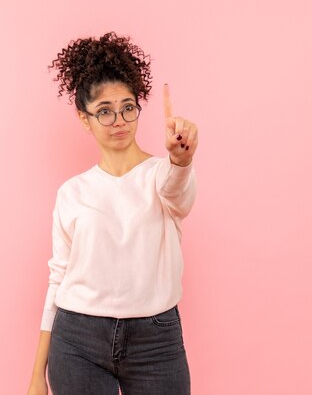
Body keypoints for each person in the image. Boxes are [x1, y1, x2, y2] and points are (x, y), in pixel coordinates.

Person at [27, 31, 199, 395]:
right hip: (77, 341)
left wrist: (181, 160)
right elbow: (57, 279)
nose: (118, 119)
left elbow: (178, 193)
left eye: (127, 107)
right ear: (84, 119)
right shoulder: (72, 193)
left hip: (156, 341)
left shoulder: (161, 175)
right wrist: (36, 374)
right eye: (104, 111)